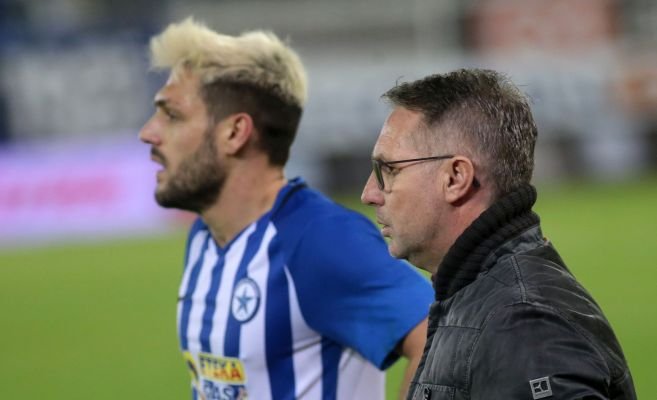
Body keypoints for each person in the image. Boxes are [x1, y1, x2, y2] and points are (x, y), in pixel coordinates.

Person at [139, 18, 432, 400]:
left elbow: (436, 336)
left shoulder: (317, 239)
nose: (149, 132)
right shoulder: (205, 236)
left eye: (172, 115)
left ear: (234, 132)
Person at [361, 69, 636, 400]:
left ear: (455, 178)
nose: (369, 194)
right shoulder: (477, 296)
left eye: (389, 170)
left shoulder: (524, 324)